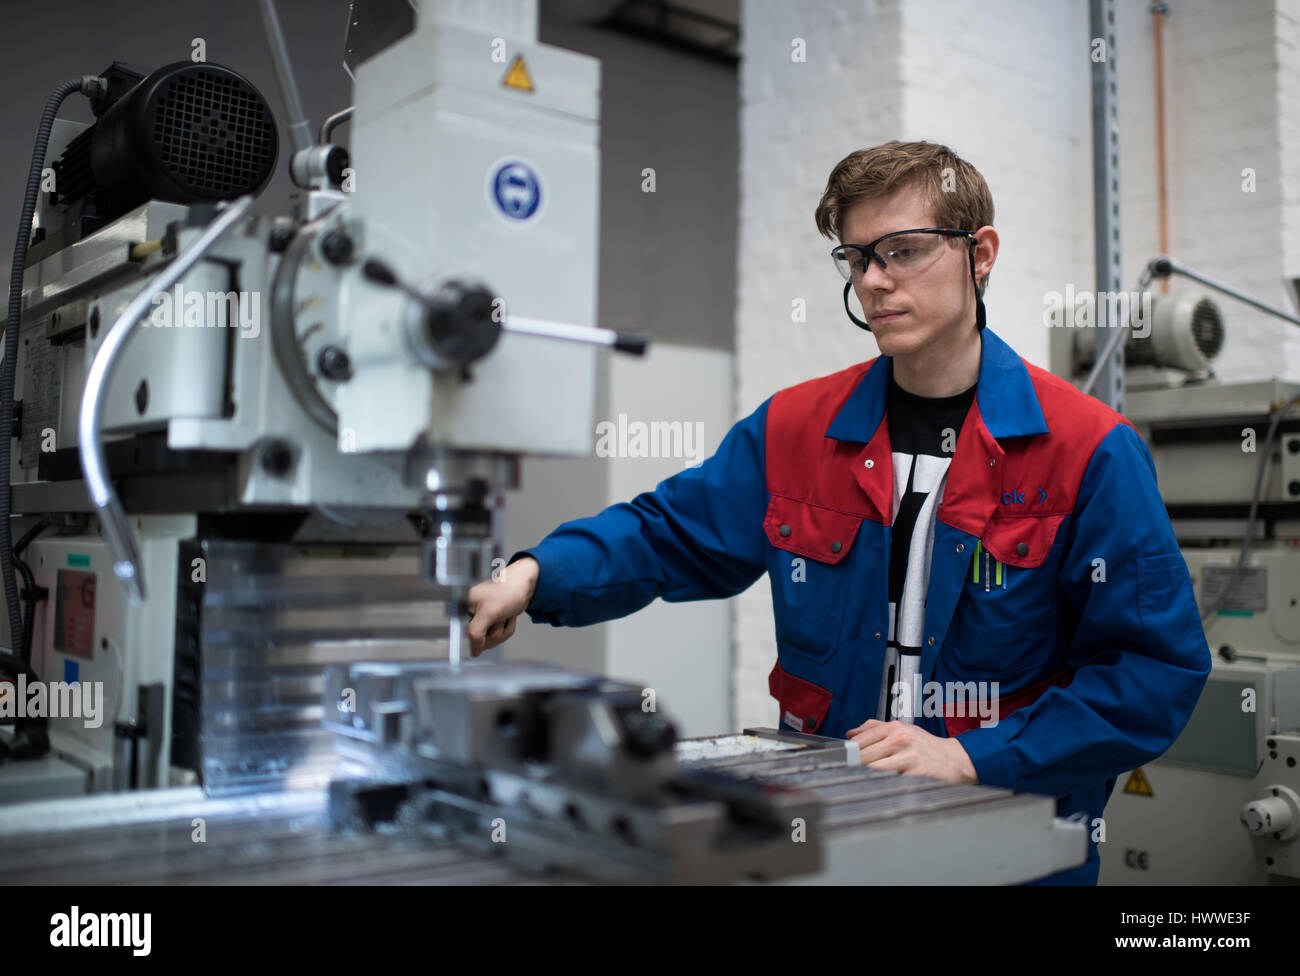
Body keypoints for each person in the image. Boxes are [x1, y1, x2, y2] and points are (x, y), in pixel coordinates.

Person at [466, 140, 1211, 885]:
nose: (875, 281)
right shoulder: (798, 429)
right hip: (831, 833)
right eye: (857, 259)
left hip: (1010, 841)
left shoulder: (1086, 448)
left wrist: (970, 757)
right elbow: (670, 534)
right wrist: (535, 574)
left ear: (980, 254)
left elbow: (1152, 670)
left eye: (904, 251)